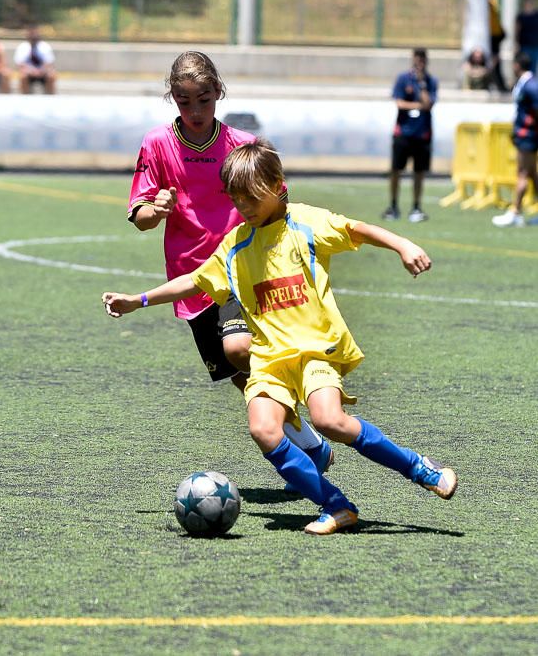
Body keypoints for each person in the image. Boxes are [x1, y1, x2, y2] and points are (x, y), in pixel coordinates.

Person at [103, 139, 458, 536]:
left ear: (277, 185)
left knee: (330, 420)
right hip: (271, 360)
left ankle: (419, 469)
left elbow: (356, 229)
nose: (245, 207)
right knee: (264, 429)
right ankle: (336, 506)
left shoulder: (306, 224)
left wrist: (402, 245)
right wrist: (139, 300)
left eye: (252, 197)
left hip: (314, 352)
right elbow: (194, 280)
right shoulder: (236, 245)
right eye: (237, 200)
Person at [127, 51, 333, 488]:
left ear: (218, 93)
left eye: (203, 99)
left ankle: (305, 405)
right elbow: (140, 213)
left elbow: (279, 203)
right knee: (237, 373)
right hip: (191, 276)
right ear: (172, 99)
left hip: (244, 268)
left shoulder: (244, 145)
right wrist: (155, 209)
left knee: (240, 348)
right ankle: (308, 439)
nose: (195, 111)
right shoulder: (157, 144)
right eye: (184, 102)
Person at [382, 48, 438, 223]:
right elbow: (399, 103)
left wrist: (422, 86)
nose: (419, 63)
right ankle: (393, 205)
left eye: (422, 60)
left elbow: (429, 104)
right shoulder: (403, 79)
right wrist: (418, 105)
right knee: (396, 171)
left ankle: (416, 206)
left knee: (419, 173)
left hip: (422, 134)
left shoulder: (430, 81)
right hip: (403, 133)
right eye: (417, 60)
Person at [492, 52, 538, 228]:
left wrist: (528, 127)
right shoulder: (525, 83)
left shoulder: (531, 85)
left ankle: (515, 212)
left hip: (528, 135)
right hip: (525, 134)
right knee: (532, 174)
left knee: (522, 174)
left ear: (518, 65)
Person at [13, 25, 56, 94]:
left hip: (43, 73)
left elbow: (49, 63)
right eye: (31, 35)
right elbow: (20, 64)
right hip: (28, 73)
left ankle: (50, 98)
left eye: (35, 35)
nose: (33, 37)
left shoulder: (45, 46)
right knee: (22, 76)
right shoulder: (22, 47)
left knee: (51, 76)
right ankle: (24, 98)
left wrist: (41, 71)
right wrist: (31, 70)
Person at [488, 0, 509, 92]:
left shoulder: (492, 1)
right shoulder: (492, 1)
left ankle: (500, 85)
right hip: (492, 36)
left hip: (494, 36)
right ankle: (497, 84)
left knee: (495, 62)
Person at [515, 0, 538, 75]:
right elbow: (517, 30)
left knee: (533, 66)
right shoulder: (521, 16)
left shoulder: (536, 15)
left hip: (535, 45)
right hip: (524, 44)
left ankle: (532, 84)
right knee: (524, 65)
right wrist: (516, 43)